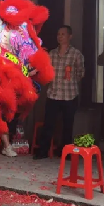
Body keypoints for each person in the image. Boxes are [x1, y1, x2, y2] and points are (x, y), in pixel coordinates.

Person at [34, 26, 84, 160]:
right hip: (53, 93)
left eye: (63, 34)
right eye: (58, 34)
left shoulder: (76, 54)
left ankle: (65, 152)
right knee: (48, 124)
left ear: (70, 36)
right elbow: (46, 71)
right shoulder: (52, 54)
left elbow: (81, 73)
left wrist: (71, 76)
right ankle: (43, 151)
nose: (60, 37)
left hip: (70, 95)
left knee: (68, 125)